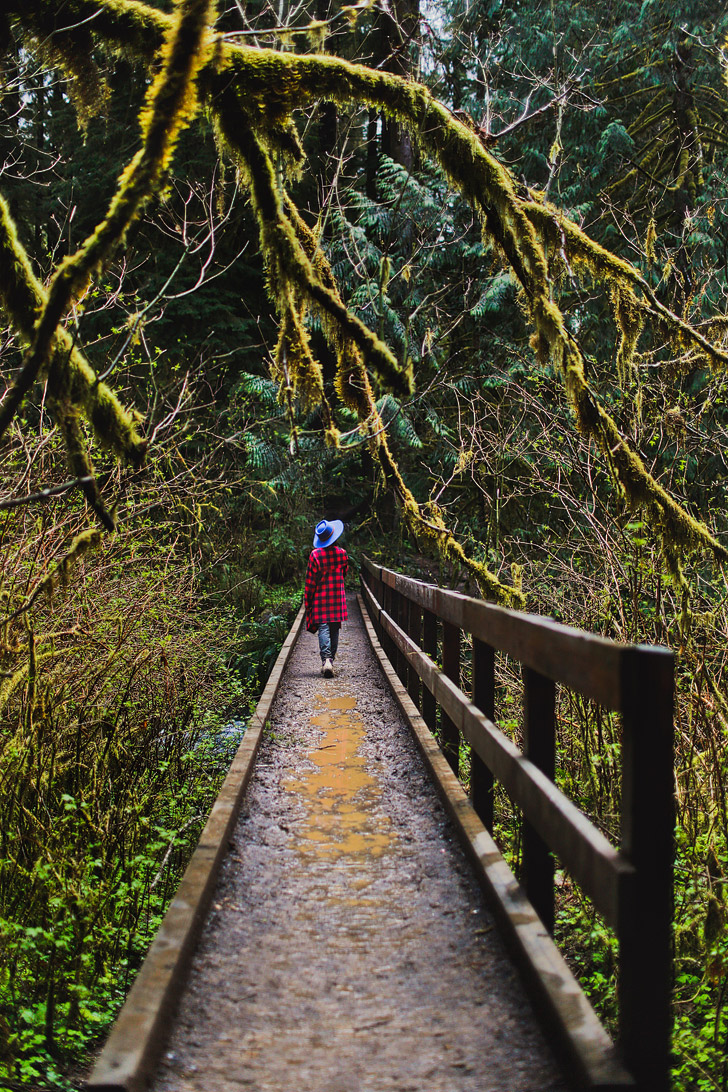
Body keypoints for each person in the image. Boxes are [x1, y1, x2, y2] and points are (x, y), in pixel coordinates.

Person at [305, 519, 348, 677]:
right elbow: (344, 573)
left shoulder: (315, 555)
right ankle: (331, 660)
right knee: (334, 628)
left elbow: (310, 582)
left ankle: (326, 660)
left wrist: (308, 601)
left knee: (323, 628)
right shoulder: (342, 554)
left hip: (320, 599)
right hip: (337, 597)